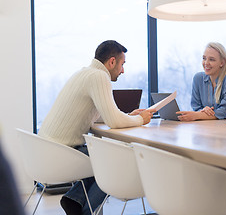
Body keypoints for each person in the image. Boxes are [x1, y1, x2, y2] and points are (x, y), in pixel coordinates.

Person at [38, 40, 155, 215]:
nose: (123, 70)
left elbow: (101, 116)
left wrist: (129, 116)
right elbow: (113, 121)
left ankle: (74, 200)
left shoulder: (84, 73)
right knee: (114, 160)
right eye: (122, 64)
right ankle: (85, 211)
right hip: (60, 151)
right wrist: (140, 119)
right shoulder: (100, 77)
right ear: (112, 62)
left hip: (48, 149)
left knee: (104, 155)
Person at [176, 42, 226, 121]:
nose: (206, 63)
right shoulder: (198, 79)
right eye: (204, 58)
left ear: (222, 62)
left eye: (211, 59)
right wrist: (203, 111)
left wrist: (199, 115)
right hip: (205, 127)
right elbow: (196, 107)